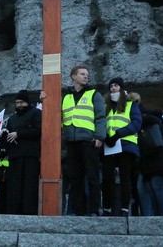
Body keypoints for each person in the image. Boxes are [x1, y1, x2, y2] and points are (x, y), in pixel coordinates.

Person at [52, 65, 106, 216]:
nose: (86, 76)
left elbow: (101, 117)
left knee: (93, 177)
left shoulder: (94, 94)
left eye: (87, 74)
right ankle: (79, 211)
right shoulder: (66, 97)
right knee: (75, 179)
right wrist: (44, 97)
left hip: (89, 141)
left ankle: (94, 210)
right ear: (73, 77)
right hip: (71, 143)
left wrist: (99, 137)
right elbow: (56, 113)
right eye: (82, 74)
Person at [101, 78, 141, 217]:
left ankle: (124, 208)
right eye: (111, 86)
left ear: (121, 88)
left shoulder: (130, 104)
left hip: (126, 144)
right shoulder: (105, 105)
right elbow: (101, 123)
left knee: (125, 177)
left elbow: (136, 123)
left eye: (116, 85)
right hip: (109, 144)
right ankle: (107, 208)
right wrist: (106, 136)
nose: (113, 88)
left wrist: (118, 134)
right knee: (106, 178)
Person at [129, 92, 163, 216]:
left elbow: (157, 143)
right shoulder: (148, 119)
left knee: (156, 187)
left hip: (156, 159)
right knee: (143, 188)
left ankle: (161, 216)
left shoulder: (150, 120)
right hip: (146, 161)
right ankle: (150, 216)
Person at [1, 90, 41, 215]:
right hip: (15, 156)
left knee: (29, 185)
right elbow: (11, 131)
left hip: (30, 155)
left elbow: (38, 131)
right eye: (17, 102)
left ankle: (28, 211)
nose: (19, 105)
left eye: (22, 102)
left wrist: (19, 134)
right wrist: (5, 132)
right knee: (15, 185)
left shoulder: (36, 113)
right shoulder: (12, 118)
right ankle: (14, 210)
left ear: (27, 102)